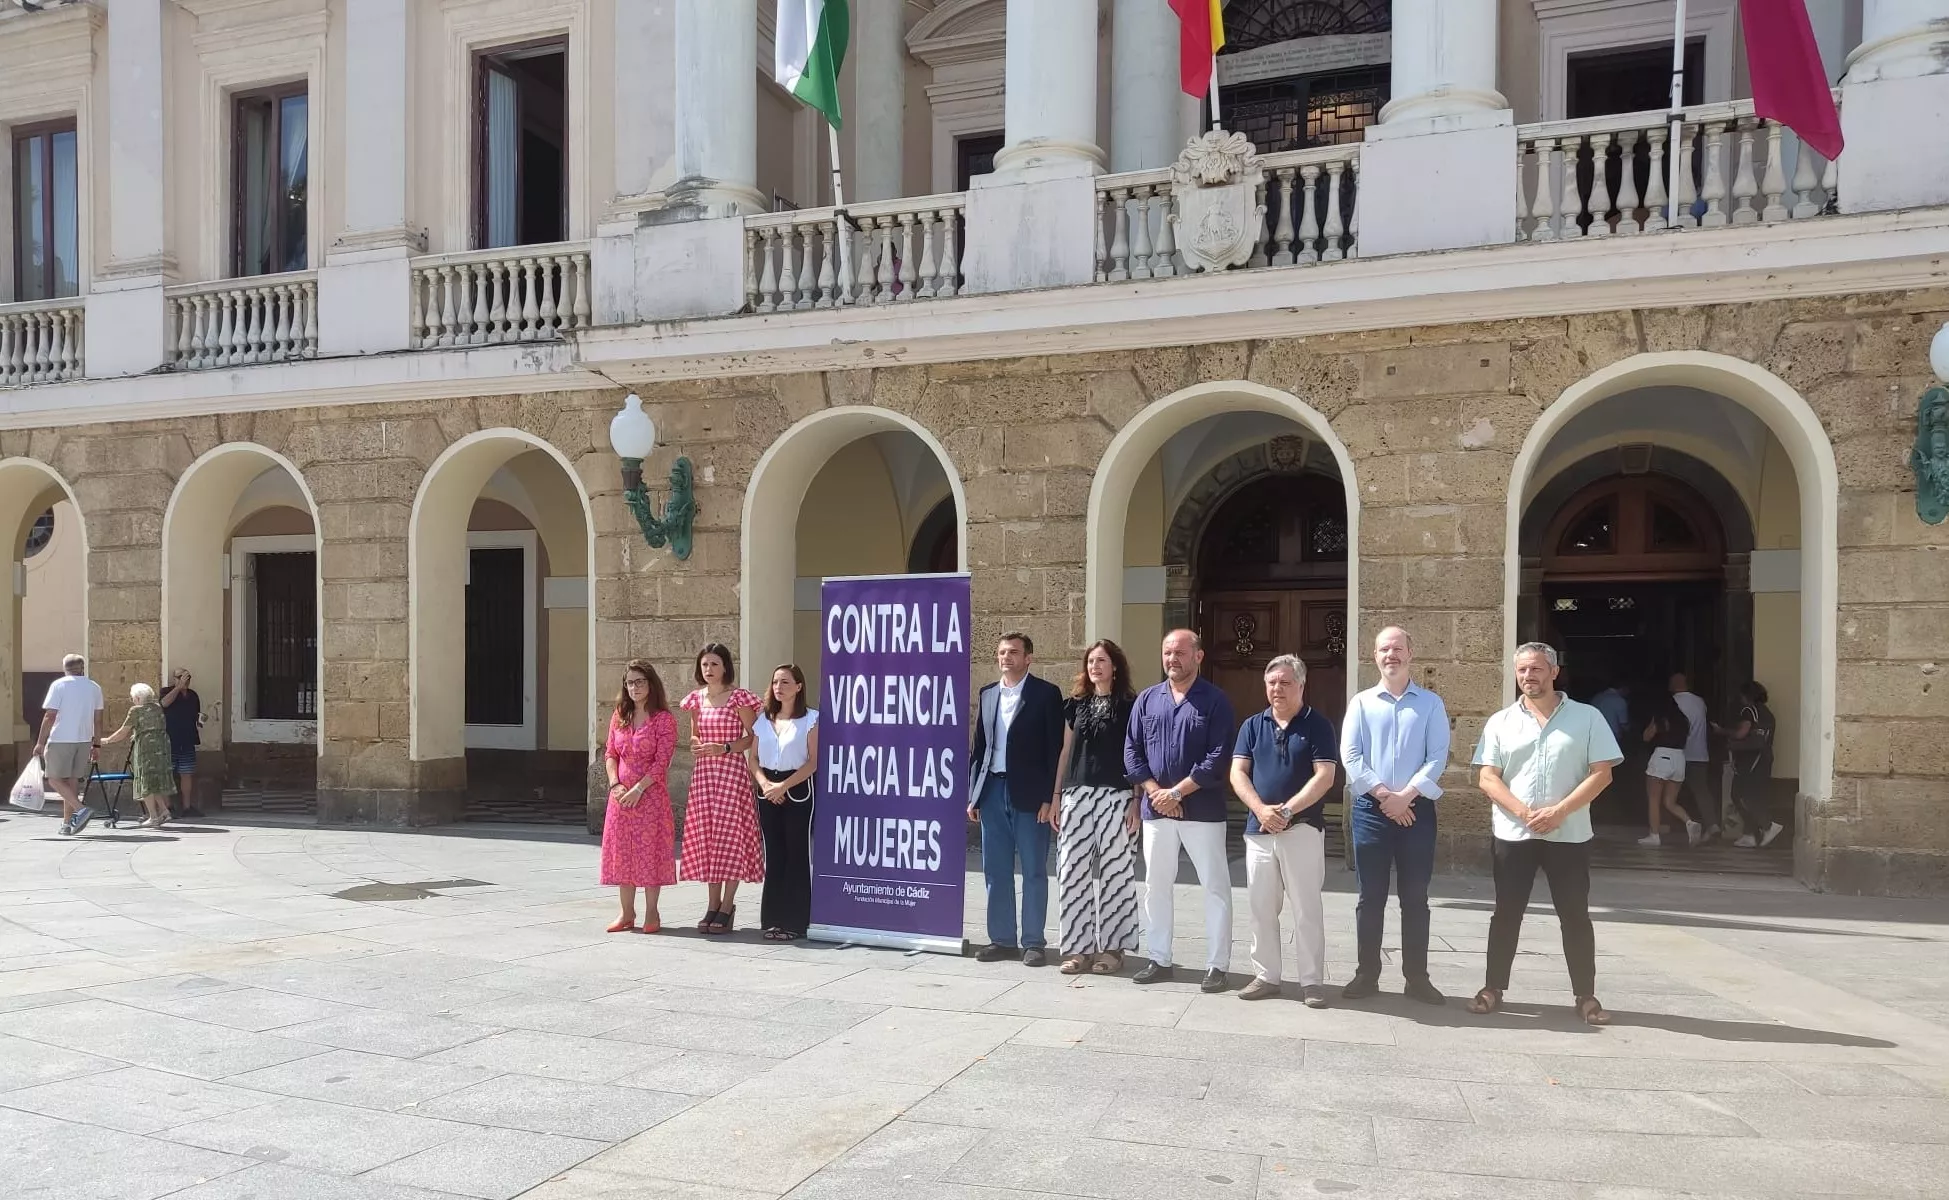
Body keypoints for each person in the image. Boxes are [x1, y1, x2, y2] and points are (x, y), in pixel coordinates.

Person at [1469, 642, 1622, 1026]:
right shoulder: (1501, 721)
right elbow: (1488, 776)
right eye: (1522, 670)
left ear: (1554, 672)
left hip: (1568, 833)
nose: (1528, 677)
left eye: (1536, 669)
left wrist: (1559, 812)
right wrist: (1524, 812)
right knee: (1506, 914)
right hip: (1513, 834)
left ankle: (1585, 995)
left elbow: (1602, 773)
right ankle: (1493, 987)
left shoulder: (1587, 718)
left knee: (1575, 916)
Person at [1340, 626, 1451, 1005]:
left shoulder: (1431, 704)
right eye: (1385, 649)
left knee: (1415, 897)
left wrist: (1406, 797)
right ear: (1375, 656)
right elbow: (1351, 756)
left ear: (1411, 653)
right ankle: (1366, 973)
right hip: (1372, 810)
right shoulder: (1361, 703)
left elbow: (1437, 756)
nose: (1392, 655)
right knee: (1370, 897)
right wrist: (1386, 796)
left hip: (1416, 810)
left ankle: (1416, 979)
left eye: (1398, 648)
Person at [1124, 629, 1237, 994]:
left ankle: (1217, 965)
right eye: (1168, 653)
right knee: (1156, 886)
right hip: (1157, 811)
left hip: (1202, 810)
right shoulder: (1147, 700)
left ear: (1198, 657)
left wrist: (1178, 792)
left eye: (1181, 653)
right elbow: (1132, 750)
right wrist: (1157, 793)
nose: (1173, 659)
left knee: (1215, 887)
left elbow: (1218, 756)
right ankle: (1159, 958)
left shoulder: (1215, 701)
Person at [1230, 655, 1337, 1006]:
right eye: (1272, 682)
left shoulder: (1318, 725)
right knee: (1261, 907)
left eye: (1285, 682)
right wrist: (1261, 810)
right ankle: (1266, 976)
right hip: (1259, 830)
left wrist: (1288, 810)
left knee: (1306, 908)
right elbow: (1238, 773)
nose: (1277, 688)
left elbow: (1325, 776)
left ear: (1302, 686)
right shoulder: (1251, 725)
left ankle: (1311, 982)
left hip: (1302, 828)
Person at [968, 632, 1066, 966]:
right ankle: (1002, 939)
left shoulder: (1046, 694)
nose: (1006, 658)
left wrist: (1049, 797)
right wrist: (975, 794)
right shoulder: (988, 694)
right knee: (995, 869)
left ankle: (1033, 942)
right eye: (1001, 653)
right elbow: (979, 749)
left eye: (1013, 652)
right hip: (993, 790)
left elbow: (1055, 749)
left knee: (1034, 869)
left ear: (1029, 658)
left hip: (1030, 795)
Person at [1051, 639, 1139, 976]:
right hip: (1077, 795)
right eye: (1090, 662)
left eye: (1101, 661)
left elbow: (1136, 754)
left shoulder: (1132, 705)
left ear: (1115, 666)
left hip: (1117, 795)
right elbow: (1064, 751)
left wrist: (1136, 800)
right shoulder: (1075, 704)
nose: (1095, 667)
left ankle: (1113, 950)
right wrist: (1057, 795)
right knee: (1072, 871)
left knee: (1116, 873)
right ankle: (1078, 949)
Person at [679, 643, 762, 934]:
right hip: (704, 775)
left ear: (725, 666)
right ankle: (712, 904)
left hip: (730, 771)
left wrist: (724, 747)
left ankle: (727, 905)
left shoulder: (739, 698)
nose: (709, 670)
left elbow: (754, 737)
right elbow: (694, 733)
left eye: (714, 664)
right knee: (708, 838)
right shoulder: (696, 700)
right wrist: (694, 742)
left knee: (730, 837)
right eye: (704, 665)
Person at [603, 660, 678, 933]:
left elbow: (662, 761)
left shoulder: (663, 719)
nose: (634, 687)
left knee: (650, 853)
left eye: (640, 682)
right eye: (630, 682)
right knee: (622, 853)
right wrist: (616, 785)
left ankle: (652, 913)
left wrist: (639, 788)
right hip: (620, 797)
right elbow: (610, 754)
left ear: (651, 684)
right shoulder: (619, 716)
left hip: (650, 797)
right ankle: (626, 913)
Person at [748, 664, 819, 941]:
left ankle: (795, 921)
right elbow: (753, 758)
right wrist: (765, 784)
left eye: (786, 682)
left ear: (799, 687)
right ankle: (773, 919)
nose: (779, 687)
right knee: (775, 854)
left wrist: (783, 786)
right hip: (767, 789)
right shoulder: (763, 720)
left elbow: (813, 761)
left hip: (797, 787)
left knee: (797, 854)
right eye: (776, 682)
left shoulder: (811, 719)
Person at [33, 654, 103, 836]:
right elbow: (98, 719)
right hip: (84, 739)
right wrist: (96, 745)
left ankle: (81, 809)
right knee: (71, 781)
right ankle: (67, 824)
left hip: (61, 739)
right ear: (82, 667)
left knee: (54, 779)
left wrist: (40, 742)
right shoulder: (94, 687)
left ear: (65, 668)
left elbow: (50, 716)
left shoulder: (59, 685)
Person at [99, 683, 174, 829]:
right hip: (162, 747)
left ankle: (153, 816)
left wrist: (106, 740)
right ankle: (164, 811)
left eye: (133, 698)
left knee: (145, 780)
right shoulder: (157, 708)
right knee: (155, 781)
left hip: (146, 747)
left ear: (138, 698)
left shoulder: (136, 711)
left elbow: (123, 732)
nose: (132, 700)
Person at [1718, 681, 1782, 848]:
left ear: (1746, 696)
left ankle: (1767, 825)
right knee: (1750, 794)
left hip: (1752, 759)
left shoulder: (1749, 711)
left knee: (1741, 794)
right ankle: (1750, 834)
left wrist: (1722, 731)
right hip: (1764, 758)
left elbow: (1741, 733)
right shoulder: (1767, 713)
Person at [1638, 692, 1701, 847]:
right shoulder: (1682, 720)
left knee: (1653, 800)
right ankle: (1690, 822)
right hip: (1679, 758)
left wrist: (1652, 722)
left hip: (1662, 756)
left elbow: (1647, 736)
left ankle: (1654, 835)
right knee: (1670, 801)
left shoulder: (1660, 718)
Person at [1670, 672, 1717, 840]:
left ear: (1674, 684)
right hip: (1700, 753)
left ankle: (1673, 824)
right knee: (1701, 790)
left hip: (1679, 753)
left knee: (1670, 792)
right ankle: (1712, 824)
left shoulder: (1673, 702)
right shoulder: (1700, 701)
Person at [160, 669, 204, 818]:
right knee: (167, 774)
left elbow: (196, 714)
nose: (185, 680)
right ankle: (168, 807)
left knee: (186, 773)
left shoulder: (193, 695)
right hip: (169, 740)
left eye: (187, 677)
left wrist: (200, 720)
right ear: (174, 679)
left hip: (187, 739)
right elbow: (164, 704)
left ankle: (187, 807)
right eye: (181, 677)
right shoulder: (166, 691)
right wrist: (178, 688)